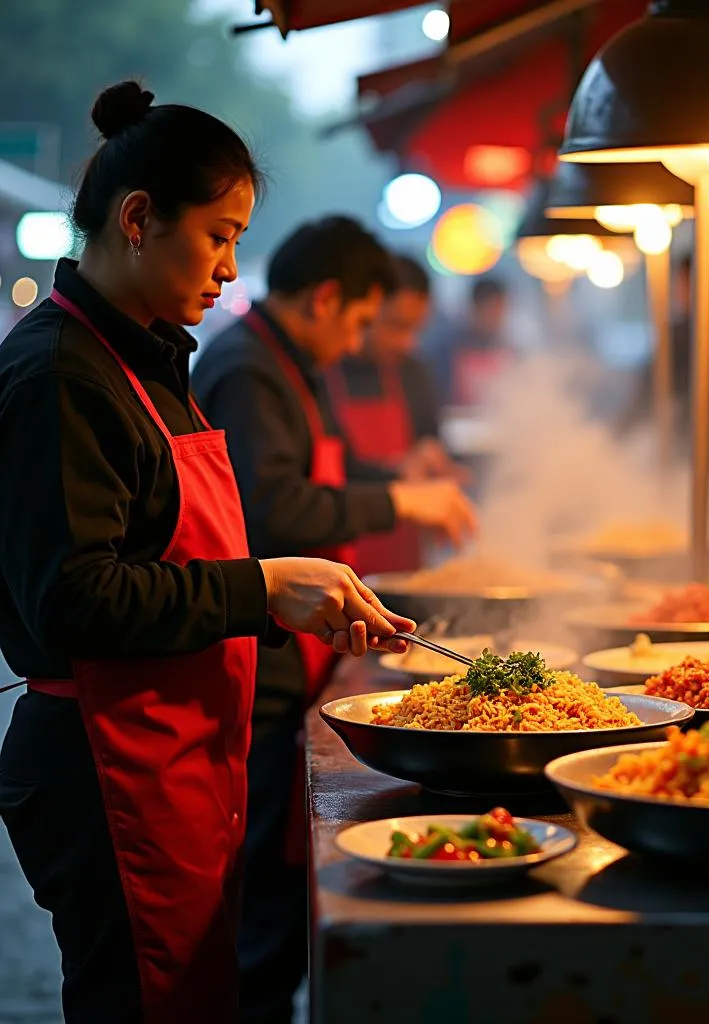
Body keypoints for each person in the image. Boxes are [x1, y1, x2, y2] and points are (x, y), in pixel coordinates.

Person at [0, 82, 413, 1024]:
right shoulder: (61, 373)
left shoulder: (143, 355)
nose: (231, 268)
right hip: (104, 768)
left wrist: (282, 595)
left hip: (173, 746)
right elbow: (75, 600)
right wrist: (265, 587)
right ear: (139, 218)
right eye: (220, 235)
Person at [191, 217, 476, 1024]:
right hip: (260, 661)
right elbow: (274, 503)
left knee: (277, 886)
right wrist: (400, 497)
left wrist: (391, 474)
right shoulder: (248, 369)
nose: (357, 343)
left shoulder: (287, 363)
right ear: (326, 299)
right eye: (357, 321)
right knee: (263, 902)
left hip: (297, 655)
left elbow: (330, 463)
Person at [326, 253, 463, 575]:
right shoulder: (322, 372)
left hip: (403, 558)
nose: (406, 342)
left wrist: (436, 466)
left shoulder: (414, 371)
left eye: (416, 329)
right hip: (338, 561)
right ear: (368, 308)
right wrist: (398, 472)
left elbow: (431, 441)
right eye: (397, 326)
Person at [618, 252, 709, 457]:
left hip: (688, 455)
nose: (675, 290)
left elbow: (646, 397)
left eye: (679, 282)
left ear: (694, 285)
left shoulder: (680, 339)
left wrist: (613, 438)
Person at [430, 275, 511, 406]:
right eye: (492, 309)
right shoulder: (449, 346)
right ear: (476, 307)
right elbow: (439, 393)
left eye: (501, 309)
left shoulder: (506, 349)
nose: (497, 316)